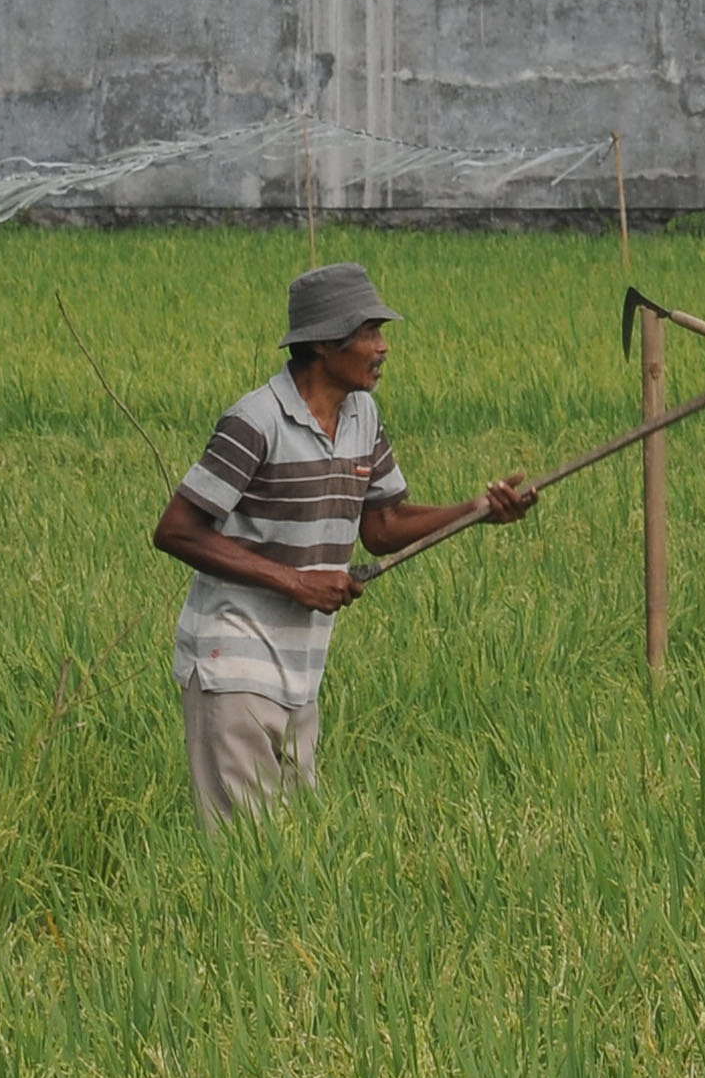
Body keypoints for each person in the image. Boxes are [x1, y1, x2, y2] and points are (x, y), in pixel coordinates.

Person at [151, 261, 537, 826]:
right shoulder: (256, 421)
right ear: (324, 344)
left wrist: (478, 511)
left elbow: (383, 526)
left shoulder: (362, 415)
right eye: (369, 332)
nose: (383, 347)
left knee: (293, 844)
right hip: (232, 659)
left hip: (302, 668)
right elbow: (176, 530)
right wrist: (295, 582)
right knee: (245, 851)